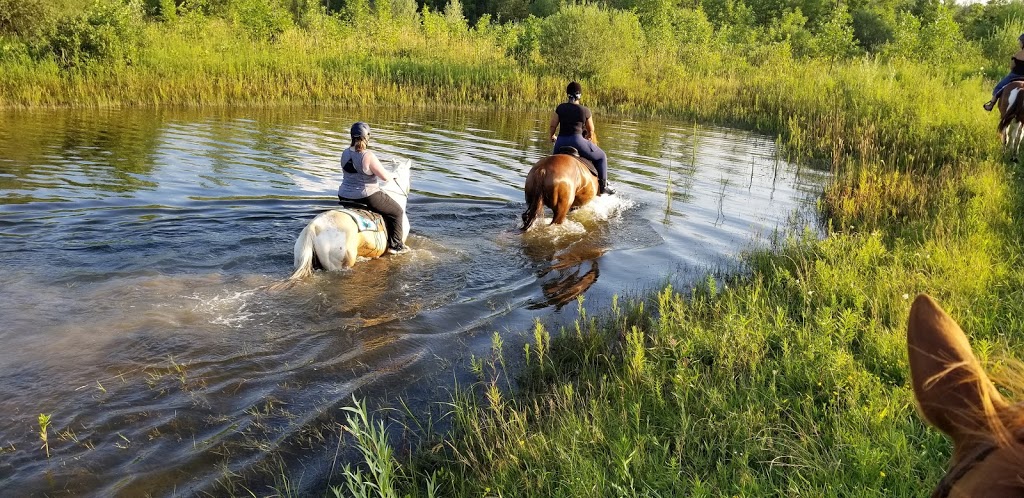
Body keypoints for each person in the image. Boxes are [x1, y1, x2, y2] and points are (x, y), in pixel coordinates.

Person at [337, 122, 409, 254]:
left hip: (344, 196)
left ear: (352, 136)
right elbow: (385, 177)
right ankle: (396, 245)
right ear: (367, 137)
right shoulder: (368, 155)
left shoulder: (344, 153)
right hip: (366, 196)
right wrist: (393, 175)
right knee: (397, 212)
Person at [549, 81, 615, 195]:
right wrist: (588, 137)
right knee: (602, 157)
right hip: (577, 141)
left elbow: (553, 125)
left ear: (567, 94)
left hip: (561, 142)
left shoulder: (560, 108)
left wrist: (552, 136)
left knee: (552, 163)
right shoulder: (584, 110)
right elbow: (591, 130)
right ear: (579, 95)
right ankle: (603, 186)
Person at [984, 33, 1024, 111]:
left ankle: (991, 104)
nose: (1019, 43)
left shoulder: (1017, 55)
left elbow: (1011, 67)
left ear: (1023, 43)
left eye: (1020, 42)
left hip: (1014, 76)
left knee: (998, 88)